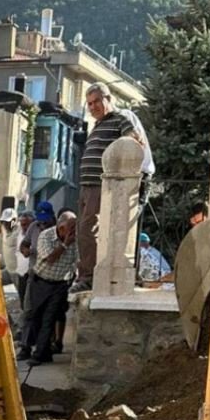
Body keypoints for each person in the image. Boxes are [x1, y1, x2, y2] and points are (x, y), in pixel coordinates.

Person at [73, 83, 145, 292]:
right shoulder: (97, 125)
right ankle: (86, 274)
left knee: (88, 229)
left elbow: (134, 141)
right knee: (83, 230)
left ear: (108, 99)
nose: (93, 107)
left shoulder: (119, 119)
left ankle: (88, 277)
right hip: (87, 186)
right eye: (89, 104)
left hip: (100, 185)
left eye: (96, 101)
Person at [20, 211, 78, 365]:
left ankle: (39, 354)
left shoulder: (75, 241)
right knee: (34, 317)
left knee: (49, 319)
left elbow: (77, 260)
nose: (74, 231)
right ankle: (37, 350)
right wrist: (65, 244)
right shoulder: (46, 236)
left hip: (59, 284)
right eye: (71, 227)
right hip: (40, 281)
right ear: (61, 227)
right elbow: (50, 258)